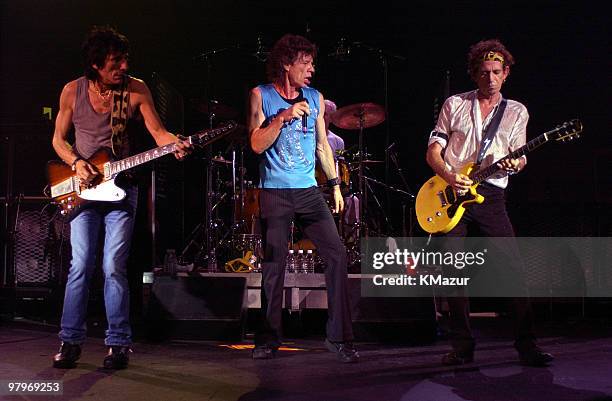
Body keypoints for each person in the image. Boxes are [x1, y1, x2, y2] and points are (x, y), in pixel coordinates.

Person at [51, 26, 191, 369]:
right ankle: (70, 341)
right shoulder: (72, 91)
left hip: (121, 190)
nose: (123, 67)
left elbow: (158, 133)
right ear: (96, 64)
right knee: (80, 266)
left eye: (125, 59)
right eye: (116, 61)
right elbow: (58, 140)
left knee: (113, 267)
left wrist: (176, 144)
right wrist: (77, 162)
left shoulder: (137, 90)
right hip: (83, 189)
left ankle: (118, 345)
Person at [426, 39, 553, 367]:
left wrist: (517, 163)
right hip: (453, 194)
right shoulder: (454, 104)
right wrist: (451, 177)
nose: (491, 78)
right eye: (484, 73)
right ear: (474, 74)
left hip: (491, 195)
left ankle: (527, 345)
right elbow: (433, 152)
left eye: (497, 72)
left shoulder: (516, 111)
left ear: (506, 73)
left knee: (513, 269)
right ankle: (462, 346)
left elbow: (520, 154)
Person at [248, 34, 358, 363]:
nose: (311, 69)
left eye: (312, 63)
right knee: (273, 265)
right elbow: (255, 144)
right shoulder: (261, 95)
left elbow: (323, 146)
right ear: (286, 64)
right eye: (305, 63)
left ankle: (339, 338)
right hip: (275, 192)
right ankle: (268, 339)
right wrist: (282, 117)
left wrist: (336, 185)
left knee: (337, 255)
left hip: (309, 190)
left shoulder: (315, 97)